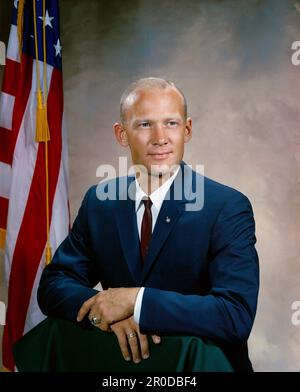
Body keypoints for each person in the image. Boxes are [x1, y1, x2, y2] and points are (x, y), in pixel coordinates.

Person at [37, 77, 259, 372]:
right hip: (123, 371)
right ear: (121, 134)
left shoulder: (226, 208)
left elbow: (235, 315)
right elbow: (53, 285)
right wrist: (104, 312)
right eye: (144, 125)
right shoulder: (101, 203)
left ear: (187, 130)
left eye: (171, 123)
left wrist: (136, 302)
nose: (160, 137)